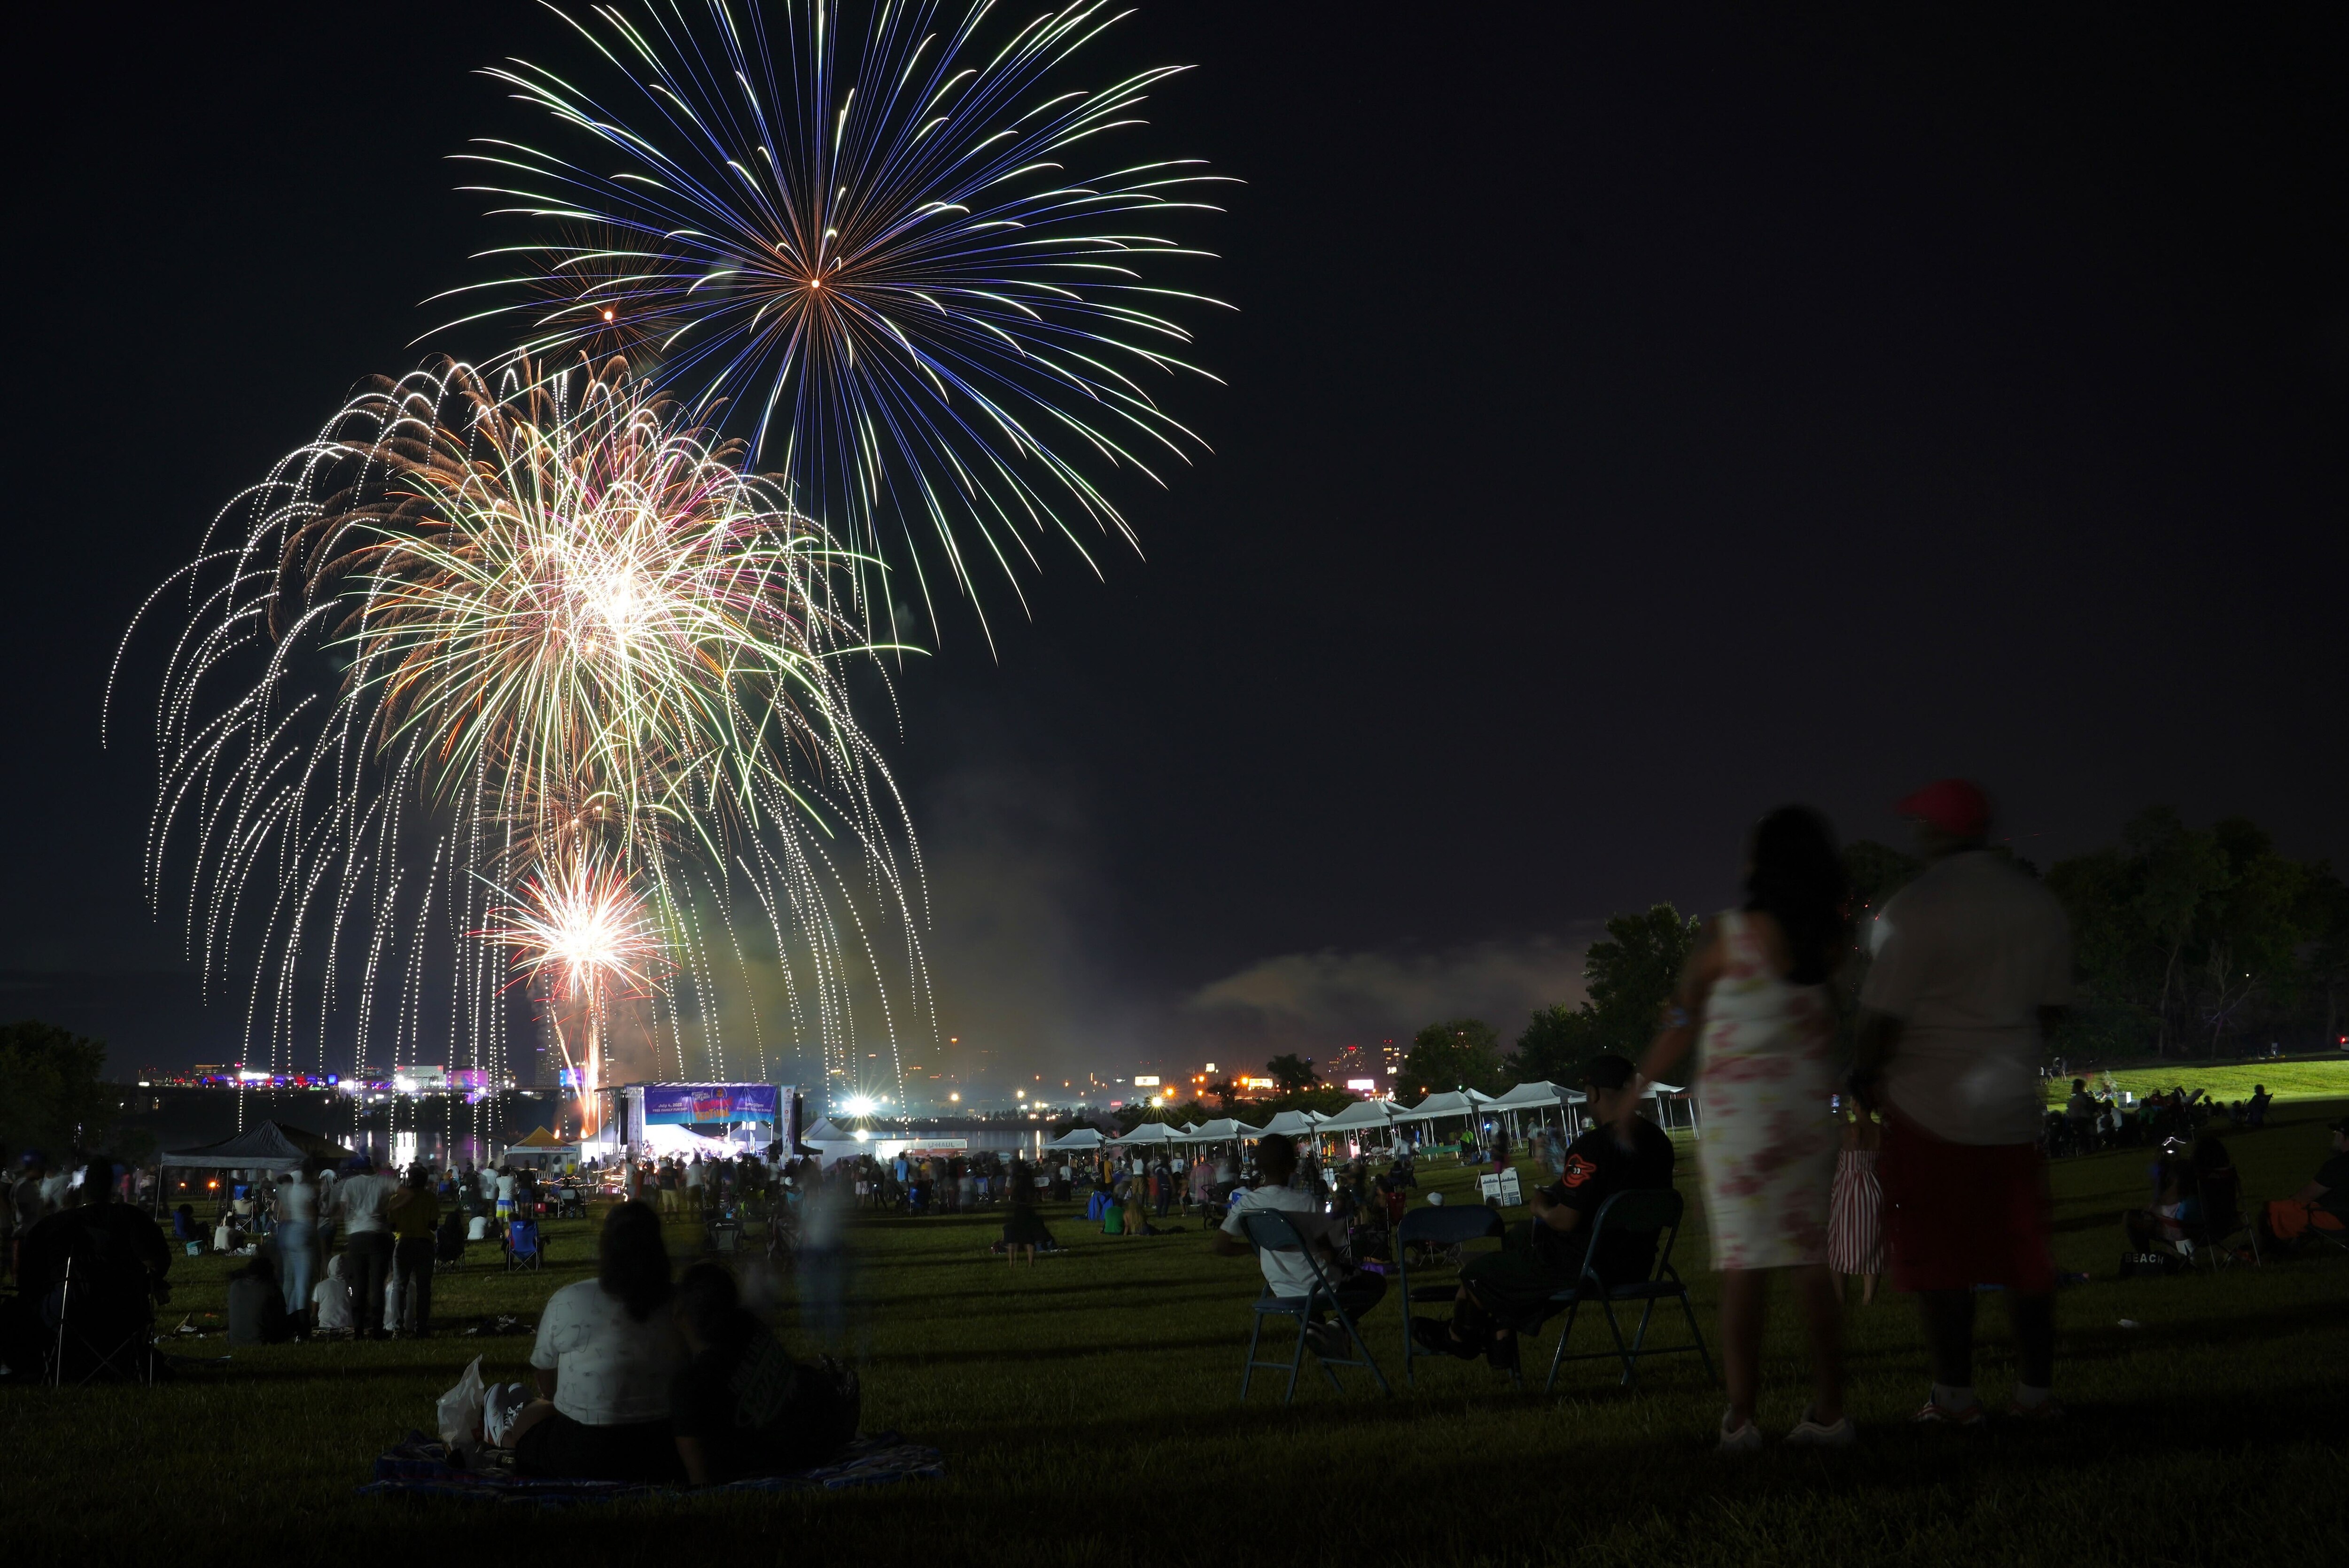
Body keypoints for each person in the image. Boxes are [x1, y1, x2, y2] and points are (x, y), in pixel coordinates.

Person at [1621, 805, 1849, 1450]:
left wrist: (1636, 1088)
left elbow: (1681, 1018)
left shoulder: (1727, 935)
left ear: (1759, 864)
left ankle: (1742, 1417)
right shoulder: (1828, 942)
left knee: (1744, 1268)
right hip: (1806, 1117)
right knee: (1810, 1263)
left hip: (1740, 1124)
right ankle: (1830, 1412)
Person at [1853, 778, 2071, 1425]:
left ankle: (1953, 1396)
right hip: (2008, 1105)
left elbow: (1882, 1014)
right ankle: (2035, 1393)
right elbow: (2051, 1005)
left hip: (1929, 1103)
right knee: (2023, 1257)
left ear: (1935, 830)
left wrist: (1865, 1071)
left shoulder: (1918, 905)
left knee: (1941, 1261)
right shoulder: (2036, 903)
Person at [1414, 1055, 1672, 1374]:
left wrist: (1541, 1207)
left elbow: (1566, 1220)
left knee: (1477, 1274)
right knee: (1521, 1238)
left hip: (1589, 1265)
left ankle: (1459, 1338)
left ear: (1593, 1093)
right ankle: (1500, 1334)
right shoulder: (1659, 1142)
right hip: (1639, 1261)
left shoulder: (1592, 1147)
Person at [507, 1201, 684, 1481]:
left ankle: (501, 1438)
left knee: (529, 1415)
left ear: (606, 1247)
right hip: (661, 1449)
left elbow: (547, 1382)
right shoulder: (681, 1303)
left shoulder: (569, 1299)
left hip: (583, 1452)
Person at [669, 1262, 857, 1483]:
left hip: (780, 1460)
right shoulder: (747, 1325)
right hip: (815, 1439)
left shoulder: (691, 1385)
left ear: (683, 1317)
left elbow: (701, 1480)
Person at [1214, 1133, 1385, 1356]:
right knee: (1376, 1283)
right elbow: (1328, 1256)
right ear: (1292, 1165)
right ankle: (1338, 1326)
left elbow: (1220, 1246)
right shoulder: (1306, 1203)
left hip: (1281, 1288)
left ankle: (1315, 1324)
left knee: (1319, 1281)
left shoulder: (1247, 1204)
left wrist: (1260, 1249)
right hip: (1319, 1286)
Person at [1829, 1101, 1887, 1306]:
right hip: (1873, 1189)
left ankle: (1841, 1297)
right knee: (1874, 1242)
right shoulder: (1881, 1132)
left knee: (1839, 1243)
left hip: (1847, 1191)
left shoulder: (1846, 1131)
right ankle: (1868, 1298)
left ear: (1856, 1104)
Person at [332, 1156, 396, 1340]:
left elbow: (343, 1209)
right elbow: (407, 1194)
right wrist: (388, 1208)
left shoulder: (351, 1184)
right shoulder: (384, 1181)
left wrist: (336, 1217)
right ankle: (377, 1329)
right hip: (377, 1235)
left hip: (356, 1237)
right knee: (377, 1284)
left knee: (359, 1284)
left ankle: (359, 1329)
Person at [2260, 1116, 2349, 1247]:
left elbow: (2307, 1195)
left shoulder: (2338, 1165)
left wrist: (2290, 1202)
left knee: (2271, 1213)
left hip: (2340, 1218)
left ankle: (2261, 1252)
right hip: (2340, 1213)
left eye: (2337, 1133)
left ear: (2345, 1137)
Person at [386, 1165, 441, 1336]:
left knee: (399, 1287)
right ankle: (422, 1327)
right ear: (424, 1181)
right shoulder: (430, 1198)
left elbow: (391, 1225)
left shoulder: (396, 1198)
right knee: (424, 1289)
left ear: (408, 1179)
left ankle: (397, 1327)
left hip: (403, 1244)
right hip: (424, 1244)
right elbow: (433, 1225)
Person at [275, 1168, 319, 1335]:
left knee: (291, 1280)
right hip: (304, 1233)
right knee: (303, 1282)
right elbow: (313, 1215)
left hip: (289, 1234)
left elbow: (283, 1214)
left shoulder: (287, 1192)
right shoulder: (306, 1191)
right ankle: (302, 1322)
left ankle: (289, 1317)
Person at [226, 1253, 293, 1345]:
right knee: (300, 1315)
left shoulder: (235, 1286)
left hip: (235, 1340)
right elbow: (281, 1318)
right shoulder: (271, 1289)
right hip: (262, 1340)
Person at [1001, 1157, 1052, 1263]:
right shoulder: (1029, 1179)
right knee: (1029, 1237)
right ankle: (1031, 1262)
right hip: (1028, 1208)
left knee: (1013, 1237)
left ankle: (1011, 1263)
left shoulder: (1015, 1179)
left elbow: (1009, 1192)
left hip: (1017, 1208)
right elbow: (1033, 1195)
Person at [2065, 1079, 2099, 1153]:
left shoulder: (2079, 1098)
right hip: (2086, 1120)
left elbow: (2072, 1111)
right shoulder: (2086, 1097)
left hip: (2081, 1121)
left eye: (2073, 1087)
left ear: (2076, 1087)